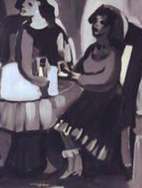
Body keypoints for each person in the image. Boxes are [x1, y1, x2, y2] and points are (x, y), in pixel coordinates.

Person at [55, 5, 126, 178]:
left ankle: (80, 168)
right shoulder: (91, 49)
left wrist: (80, 77)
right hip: (89, 97)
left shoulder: (113, 52)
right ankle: (73, 165)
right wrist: (66, 68)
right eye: (95, 21)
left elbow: (107, 79)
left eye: (102, 22)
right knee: (62, 127)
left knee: (74, 128)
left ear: (111, 28)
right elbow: (77, 70)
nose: (96, 25)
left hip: (108, 99)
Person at [14, 0, 73, 92]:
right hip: (33, 71)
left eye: (29, 3)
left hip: (52, 65)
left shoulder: (55, 27)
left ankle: (50, 84)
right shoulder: (25, 29)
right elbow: (23, 59)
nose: (23, 6)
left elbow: (65, 50)